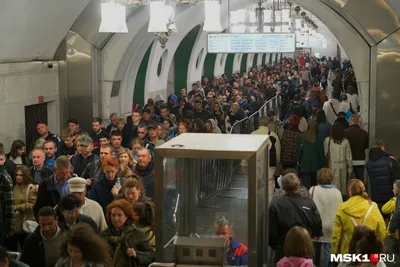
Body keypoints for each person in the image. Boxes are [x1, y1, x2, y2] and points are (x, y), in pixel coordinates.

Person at [269, 173, 323, 263]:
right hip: (304, 248)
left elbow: (271, 231)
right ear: (298, 186)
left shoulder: (276, 205)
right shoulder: (309, 203)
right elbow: (317, 225)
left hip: (283, 249)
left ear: (283, 187)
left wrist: (276, 245)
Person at [331, 179, 386, 255]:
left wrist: (334, 253)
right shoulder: (373, 206)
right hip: (369, 252)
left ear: (350, 191)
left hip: (348, 252)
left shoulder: (342, 208)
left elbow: (336, 235)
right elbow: (381, 230)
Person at [100, 199, 155, 267]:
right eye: (113, 215)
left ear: (126, 216)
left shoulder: (136, 233)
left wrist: (136, 254)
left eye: (119, 215)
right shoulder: (104, 234)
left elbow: (151, 255)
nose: (116, 218)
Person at [310, 168, 343, 267]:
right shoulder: (337, 192)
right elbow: (340, 210)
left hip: (317, 226)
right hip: (332, 225)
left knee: (315, 249)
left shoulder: (313, 190)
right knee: (329, 250)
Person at [9, 165, 36, 251]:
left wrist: (19, 207)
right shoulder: (14, 186)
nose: (18, 177)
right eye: (17, 175)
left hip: (26, 221)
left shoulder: (31, 188)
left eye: (21, 175)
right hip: (15, 223)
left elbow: (33, 204)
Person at [325, 122, 353, 196]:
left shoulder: (327, 140)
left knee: (332, 184)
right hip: (342, 166)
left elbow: (325, 154)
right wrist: (350, 168)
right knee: (342, 185)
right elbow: (348, 156)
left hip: (331, 165)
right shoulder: (345, 142)